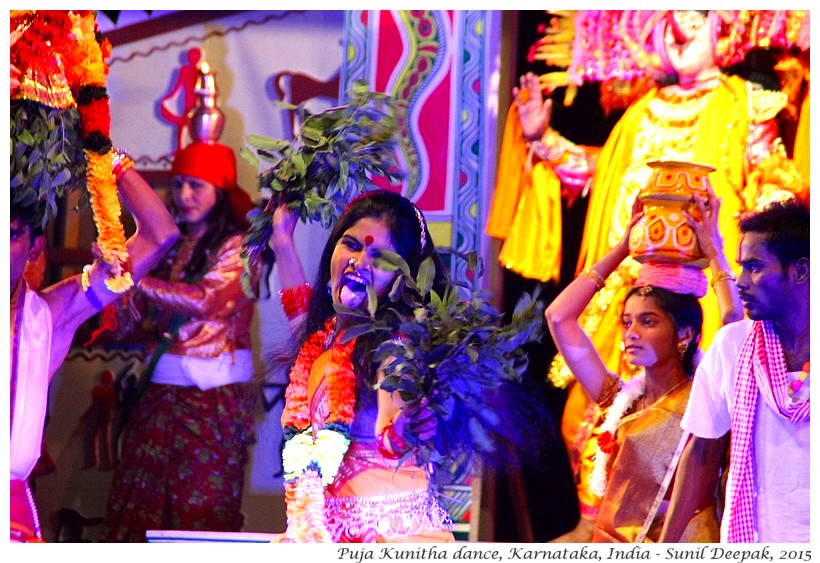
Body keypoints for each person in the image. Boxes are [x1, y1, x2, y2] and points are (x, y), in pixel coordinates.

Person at [504, 10, 807, 540]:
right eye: (667, 15)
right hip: (635, 282)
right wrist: (543, 140)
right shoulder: (640, 111)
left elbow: (770, 195)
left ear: (722, 30)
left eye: (696, 14)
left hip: (709, 288)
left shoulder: (742, 106)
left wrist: (719, 249)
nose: (679, 26)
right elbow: (596, 175)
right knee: (582, 418)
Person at [543, 184, 743, 543]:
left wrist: (715, 252)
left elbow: (734, 324)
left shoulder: (708, 397)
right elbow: (558, 317)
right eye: (627, 321)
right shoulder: (620, 400)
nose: (630, 333)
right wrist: (621, 250)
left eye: (647, 322)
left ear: (683, 334)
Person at [269, 190, 455, 543]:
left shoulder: (395, 344)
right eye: (352, 245)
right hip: (333, 533)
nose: (359, 262)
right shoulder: (327, 338)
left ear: (404, 278)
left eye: (380, 258)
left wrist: (403, 427)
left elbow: (392, 418)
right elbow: (298, 313)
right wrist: (281, 239)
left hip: (389, 540)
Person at [10, 166, 179, 543]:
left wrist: (102, 155)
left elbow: (160, 236)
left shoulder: (48, 315)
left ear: (34, 247)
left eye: (10, 235)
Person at [102, 141, 260, 542]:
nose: (184, 196)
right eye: (179, 185)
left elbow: (207, 302)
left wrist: (137, 279)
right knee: (138, 506)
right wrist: (114, 288)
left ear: (220, 192)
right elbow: (134, 314)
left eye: (197, 186)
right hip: (158, 396)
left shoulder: (240, 248)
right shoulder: (168, 245)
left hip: (212, 402)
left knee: (201, 510)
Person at [660, 199, 810, 543]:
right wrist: (663, 547)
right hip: (749, 540)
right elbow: (700, 455)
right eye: (741, 267)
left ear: (800, 271)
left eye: (755, 268)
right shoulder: (732, 345)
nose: (742, 281)